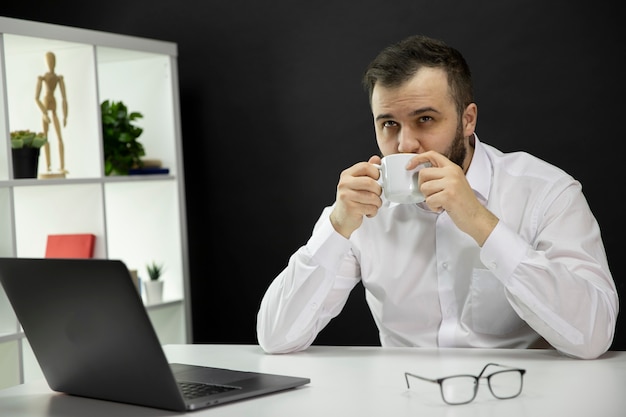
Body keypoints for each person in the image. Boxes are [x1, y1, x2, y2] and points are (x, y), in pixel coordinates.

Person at [256, 34, 619, 360]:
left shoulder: (546, 192)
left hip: (515, 397)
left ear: (468, 119)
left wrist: (480, 223)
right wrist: (337, 227)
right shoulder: (361, 206)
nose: (404, 144)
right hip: (402, 399)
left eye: (425, 119)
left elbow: (593, 336)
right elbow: (277, 337)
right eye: (388, 124)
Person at [35, 51, 68, 176]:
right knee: (45, 137)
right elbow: (36, 97)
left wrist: (65, 115)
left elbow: (64, 98)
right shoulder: (42, 78)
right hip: (46, 103)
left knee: (59, 136)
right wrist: (44, 113)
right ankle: (48, 165)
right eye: (49, 61)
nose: (51, 64)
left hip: (53, 105)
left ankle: (61, 165)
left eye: (52, 61)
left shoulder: (58, 78)